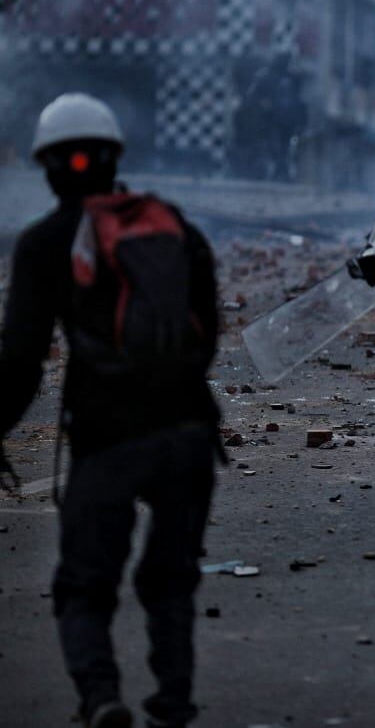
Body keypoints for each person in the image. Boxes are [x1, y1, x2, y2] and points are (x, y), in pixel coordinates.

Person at [0, 94, 222, 728]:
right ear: (115, 157)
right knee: (171, 580)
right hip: (188, 431)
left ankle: (101, 698)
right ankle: (173, 704)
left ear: (45, 167)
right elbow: (204, 336)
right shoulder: (173, 225)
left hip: (107, 437)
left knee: (84, 584)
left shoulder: (45, 243)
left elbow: (20, 363)